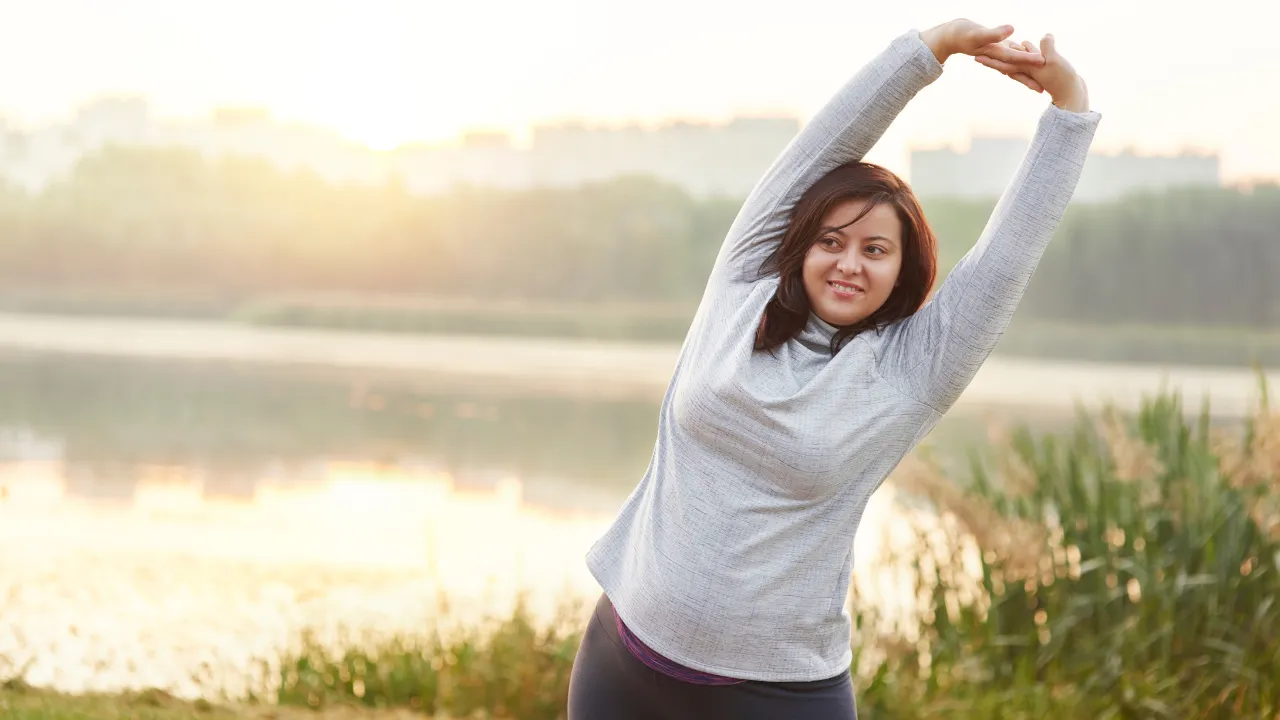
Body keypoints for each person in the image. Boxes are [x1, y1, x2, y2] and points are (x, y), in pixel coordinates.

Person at [567, 18, 1099, 720]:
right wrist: (928, 51)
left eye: (875, 250)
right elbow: (818, 149)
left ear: (903, 270)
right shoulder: (742, 287)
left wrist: (1069, 108)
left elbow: (1005, 259)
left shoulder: (912, 371)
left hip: (774, 696)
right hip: (622, 662)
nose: (850, 262)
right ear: (801, 245)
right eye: (832, 240)